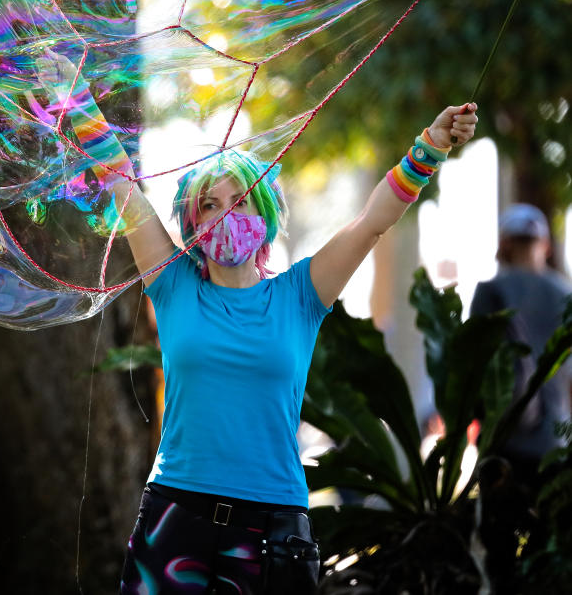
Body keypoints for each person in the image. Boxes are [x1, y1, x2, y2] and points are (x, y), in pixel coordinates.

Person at [96, 103, 479, 594]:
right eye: (210, 204)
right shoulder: (173, 284)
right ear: (193, 222)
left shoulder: (301, 293)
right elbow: (121, 184)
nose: (227, 212)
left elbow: (371, 222)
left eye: (242, 199)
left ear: (267, 211)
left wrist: (432, 145)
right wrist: (74, 94)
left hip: (271, 526)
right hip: (176, 516)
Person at [468, 203, 572, 492]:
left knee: (500, 534)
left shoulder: (491, 293)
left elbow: (471, 366)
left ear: (504, 244)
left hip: (504, 442)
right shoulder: (566, 294)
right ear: (546, 246)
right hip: (555, 442)